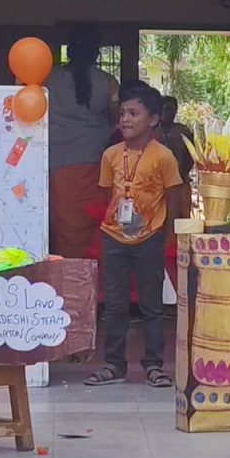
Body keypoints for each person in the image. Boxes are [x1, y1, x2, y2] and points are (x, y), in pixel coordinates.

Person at [85, 81, 183, 388]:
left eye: (133, 113)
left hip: (150, 238)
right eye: (123, 113)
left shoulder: (164, 157)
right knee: (115, 305)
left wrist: (169, 235)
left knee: (151, 305)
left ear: (153, 119)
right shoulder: (111, 155)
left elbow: (175, 198)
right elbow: (106, 195)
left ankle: (154, 365)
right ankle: (114, 364)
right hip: (114, 237)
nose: (125, 119)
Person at [46, 25, 118, 260]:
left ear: (69, 51)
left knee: (63, 223)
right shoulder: (107, 82)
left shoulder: (49, 78)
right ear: (96, 52)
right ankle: (92, 273)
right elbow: (119, 119)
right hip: (95, 159)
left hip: (56, 160)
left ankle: (66, 271)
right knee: (94, 221)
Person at [158, 96, 195, 216]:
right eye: (167, 109)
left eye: (173, 110)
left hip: (181, 180)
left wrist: (181, 173)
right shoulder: (152, 130)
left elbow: (192, 155)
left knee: (181, 216)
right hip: (156, 182)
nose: (170, 113)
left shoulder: (183, 131)